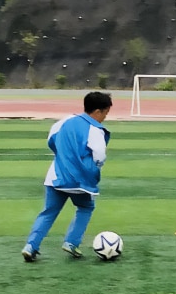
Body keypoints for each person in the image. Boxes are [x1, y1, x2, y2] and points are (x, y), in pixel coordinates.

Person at [23, 91, 111, 261]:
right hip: (80, 180)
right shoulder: (95, 129)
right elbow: (100, 154)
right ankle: (71, 242)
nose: (105, 117)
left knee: (48, 211)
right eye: (106, 113)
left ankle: (31, 245)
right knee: (85, 208)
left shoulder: (65, 120)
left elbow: (51, 140)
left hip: (55, 176)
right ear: (98, 111)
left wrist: (63, 156)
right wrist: (94, 168)